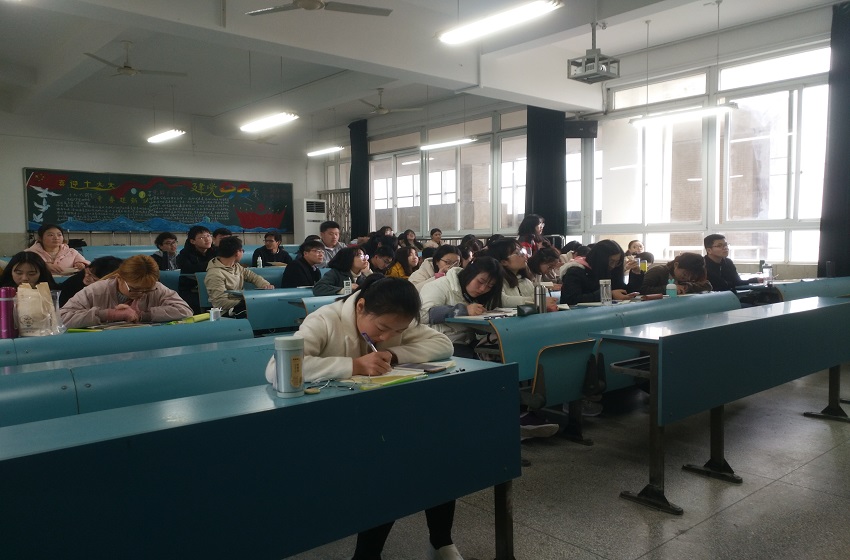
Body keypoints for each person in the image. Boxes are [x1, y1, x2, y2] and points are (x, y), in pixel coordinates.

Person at [263, 275, 458, 560]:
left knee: (434, 456)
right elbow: (276, 369)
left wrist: (393, 353)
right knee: (386, 469)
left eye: (398, 331)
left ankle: (441, 542)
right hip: (324, 426)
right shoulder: (324, 320)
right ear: (360, 306)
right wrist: (353, 365)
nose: (386, 336)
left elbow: (443, 344)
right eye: (382, 328)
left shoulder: (396, 320)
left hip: (374, 423)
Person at [60, 255, 193, 328]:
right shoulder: (97, 290)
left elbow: (184, 310)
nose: (141, 293)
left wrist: (142, 315)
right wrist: (109, 314)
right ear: (119, 278)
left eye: (147, 290)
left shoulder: (156, 288)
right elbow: (62, 318)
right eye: (134, 289)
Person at [418, 256, 504, 357]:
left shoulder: (478, 295)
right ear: (470, 273)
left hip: (466, 342)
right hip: (440, 344)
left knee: (502, 351)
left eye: (489, 286)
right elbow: (422, 315)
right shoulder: (438, 286)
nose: (482, 289)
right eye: (480, 282)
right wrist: (463, 310)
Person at [205, 236, 273, 317]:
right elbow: (220, 302)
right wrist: (246, 301)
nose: (242, 253)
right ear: (237, 253)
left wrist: (265, 285)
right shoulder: (215, 274)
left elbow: (253, 277)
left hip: (241, 305)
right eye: (242, 250)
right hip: (227, 312)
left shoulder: (236, 266)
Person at [560, 239, 639, 305]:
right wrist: (608, 294)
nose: (613, 266)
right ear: (600, 259)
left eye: (617, 262)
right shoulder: (575, 271)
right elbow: (571, 300)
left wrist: (636, 274)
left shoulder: (612, 270)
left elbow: (622, 291)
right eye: (611, 261)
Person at [484, 239, 556, 309]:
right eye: (518, 253)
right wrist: (536, 300)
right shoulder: (496, 280)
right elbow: (503, 301)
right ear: (504, 262)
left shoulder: (525, 281)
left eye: (522, 251)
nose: (524, 255)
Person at [176, 226, 216, 313]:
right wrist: (212, 264)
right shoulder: (184, 254)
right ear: (192, 241)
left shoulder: (216, 251)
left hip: (213, 288)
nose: (207, 239)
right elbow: (191, 269)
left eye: (208, 236)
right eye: (202, 237)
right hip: (192, 290)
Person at [58, 256, 123, 306]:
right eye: (87, 272)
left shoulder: (115, 291)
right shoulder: (79, 279)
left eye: (93, 277)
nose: (87, 276)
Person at [640, 252, 712, 295]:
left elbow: (707, 285)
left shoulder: (688, 278)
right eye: (685, 274)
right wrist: (670, 288)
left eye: (692, 277)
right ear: (676, 265)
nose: (687, 278)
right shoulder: (659, 271)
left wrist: (686, 287)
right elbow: (642, 289)